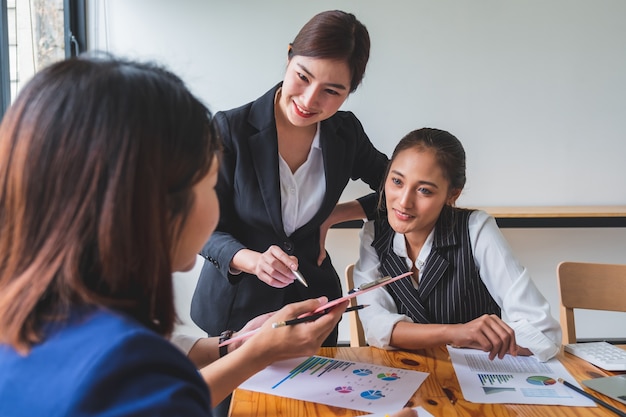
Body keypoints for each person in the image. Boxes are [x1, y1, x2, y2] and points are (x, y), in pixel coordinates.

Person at [0, 55, 424, 417]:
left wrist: (247, 346)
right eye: (207, 184)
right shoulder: (129, 370)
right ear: (151, 204)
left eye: (333, 89)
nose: (312, 99)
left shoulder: (46, 318)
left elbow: (168, 370)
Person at [191, 10, 389, 347]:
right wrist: (253, 261)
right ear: (289, 56)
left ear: (349, 93)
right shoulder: (231, 129)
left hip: (312, 311)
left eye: (332, 91)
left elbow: (400, 188)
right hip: (238, 315)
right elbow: (201, 228)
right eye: (303, 76)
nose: (310, 100)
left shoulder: (346, 133)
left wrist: (337, 214)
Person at [353, 128, 561, 362]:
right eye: (397, 181)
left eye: (424, 190)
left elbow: (542, 333)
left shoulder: (475, 228)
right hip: (405, 377)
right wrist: (454, 332)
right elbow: (376, 326)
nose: (403, 201)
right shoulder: (374, 235)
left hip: (479, 380)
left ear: (452, 195)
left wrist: (508, 338)